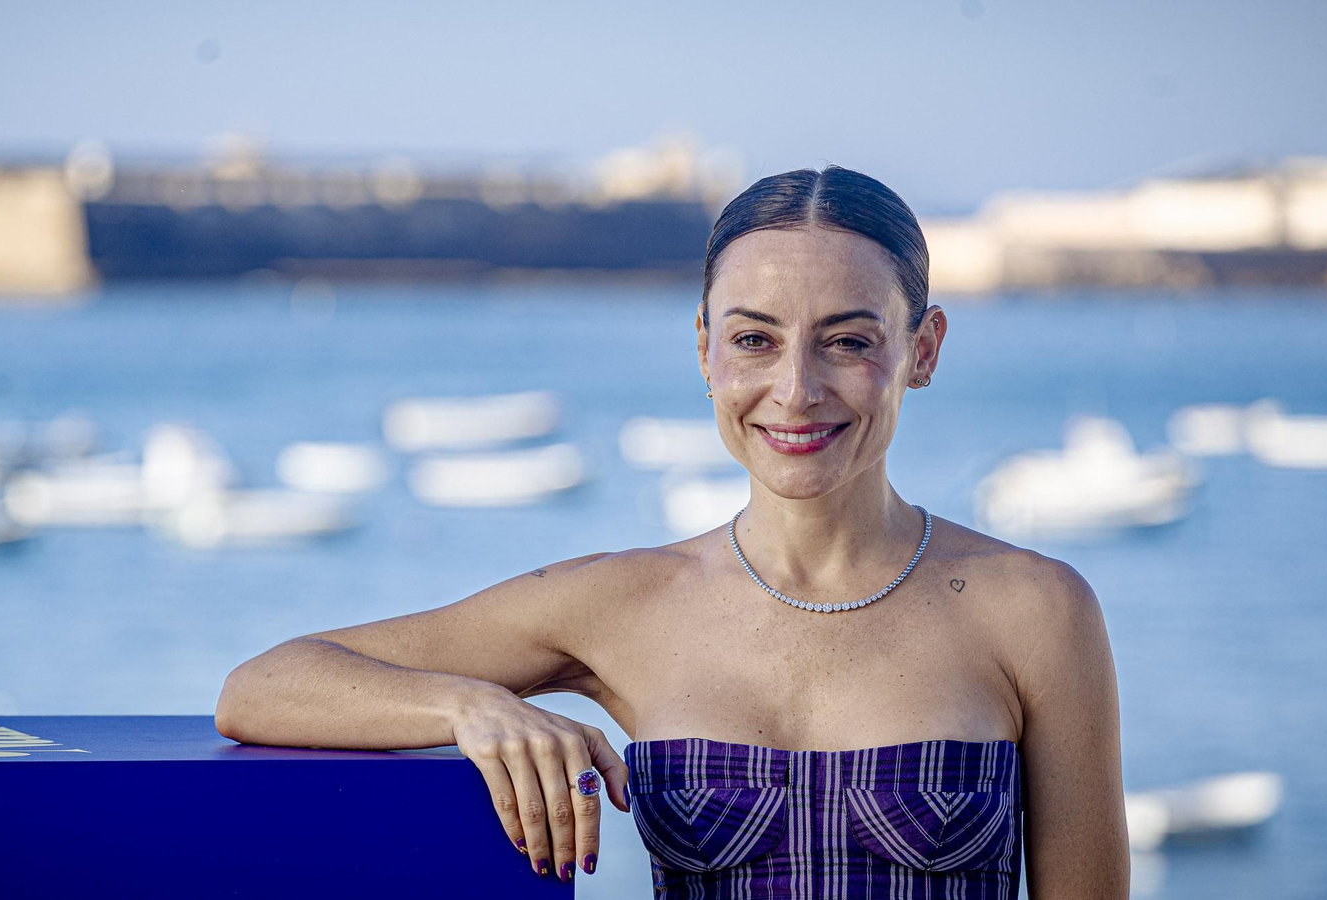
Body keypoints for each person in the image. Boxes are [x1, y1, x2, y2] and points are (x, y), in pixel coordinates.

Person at [216, 165, 1129, 898]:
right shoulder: (625, 604)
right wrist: (469, 707)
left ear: (921, 351)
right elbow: (263, 687)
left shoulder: (1035, 611)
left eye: (848, 342)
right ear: (704, 350)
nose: (797, 389)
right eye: (754, 341)